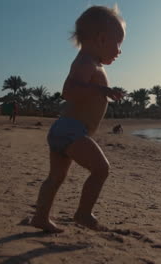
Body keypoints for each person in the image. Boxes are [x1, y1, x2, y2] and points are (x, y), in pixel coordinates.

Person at [30, 5, 125, 233]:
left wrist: (104, 92)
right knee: (101, 169)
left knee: (56, 177)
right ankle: (83, 213)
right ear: (101, 39)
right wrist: (100, 91)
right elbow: (68, 90)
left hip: (64, 130)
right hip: (71, 130)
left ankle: (40, 217)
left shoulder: (91, 63)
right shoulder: (86, 62)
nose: (119, 51)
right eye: (117, 44)